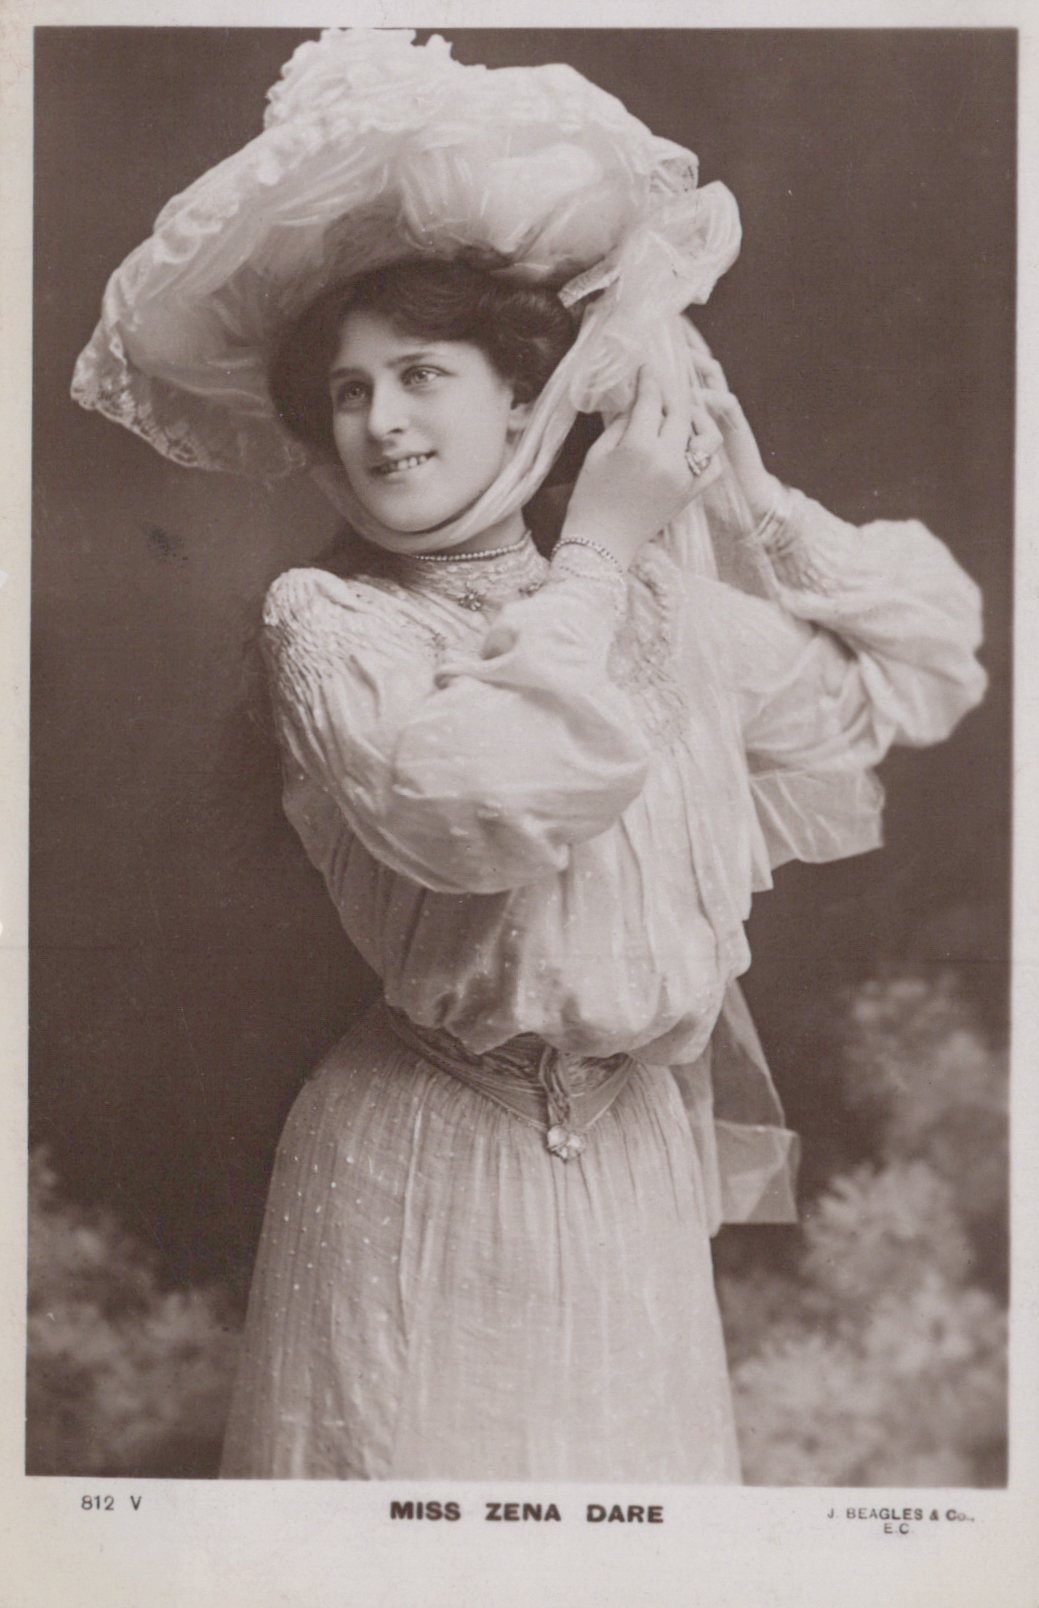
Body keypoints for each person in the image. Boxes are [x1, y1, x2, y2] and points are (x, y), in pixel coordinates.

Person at [71, 30, 987, 1483]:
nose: (377, 419)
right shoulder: (329, 622)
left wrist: (748, 499)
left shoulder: (668, 612)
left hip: (633, 1178)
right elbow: (480, 805)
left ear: (524, 398)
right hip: (421, 1162)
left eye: (419, 374)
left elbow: (913, 677)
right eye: (348, 395)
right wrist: (604, 548)